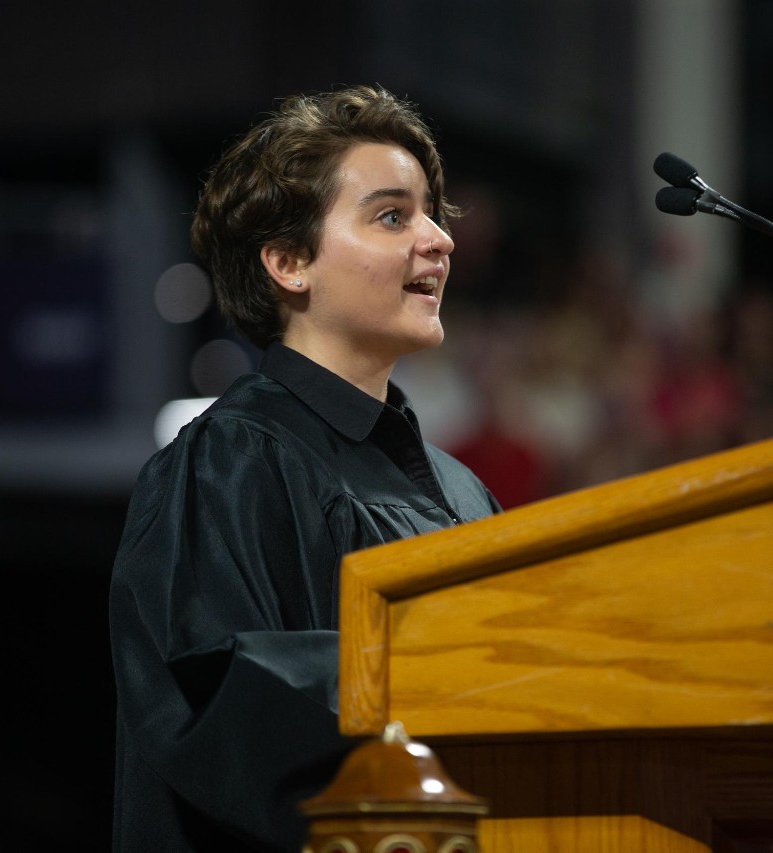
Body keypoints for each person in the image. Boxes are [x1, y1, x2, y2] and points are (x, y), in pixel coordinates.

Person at [108, 86, 501, 853]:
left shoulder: (464, 490)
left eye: (433, 214)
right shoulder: (227, 462)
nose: (439, 240)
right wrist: (468, 675)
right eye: (393, 215)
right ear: (289, 263)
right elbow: (223, 707)